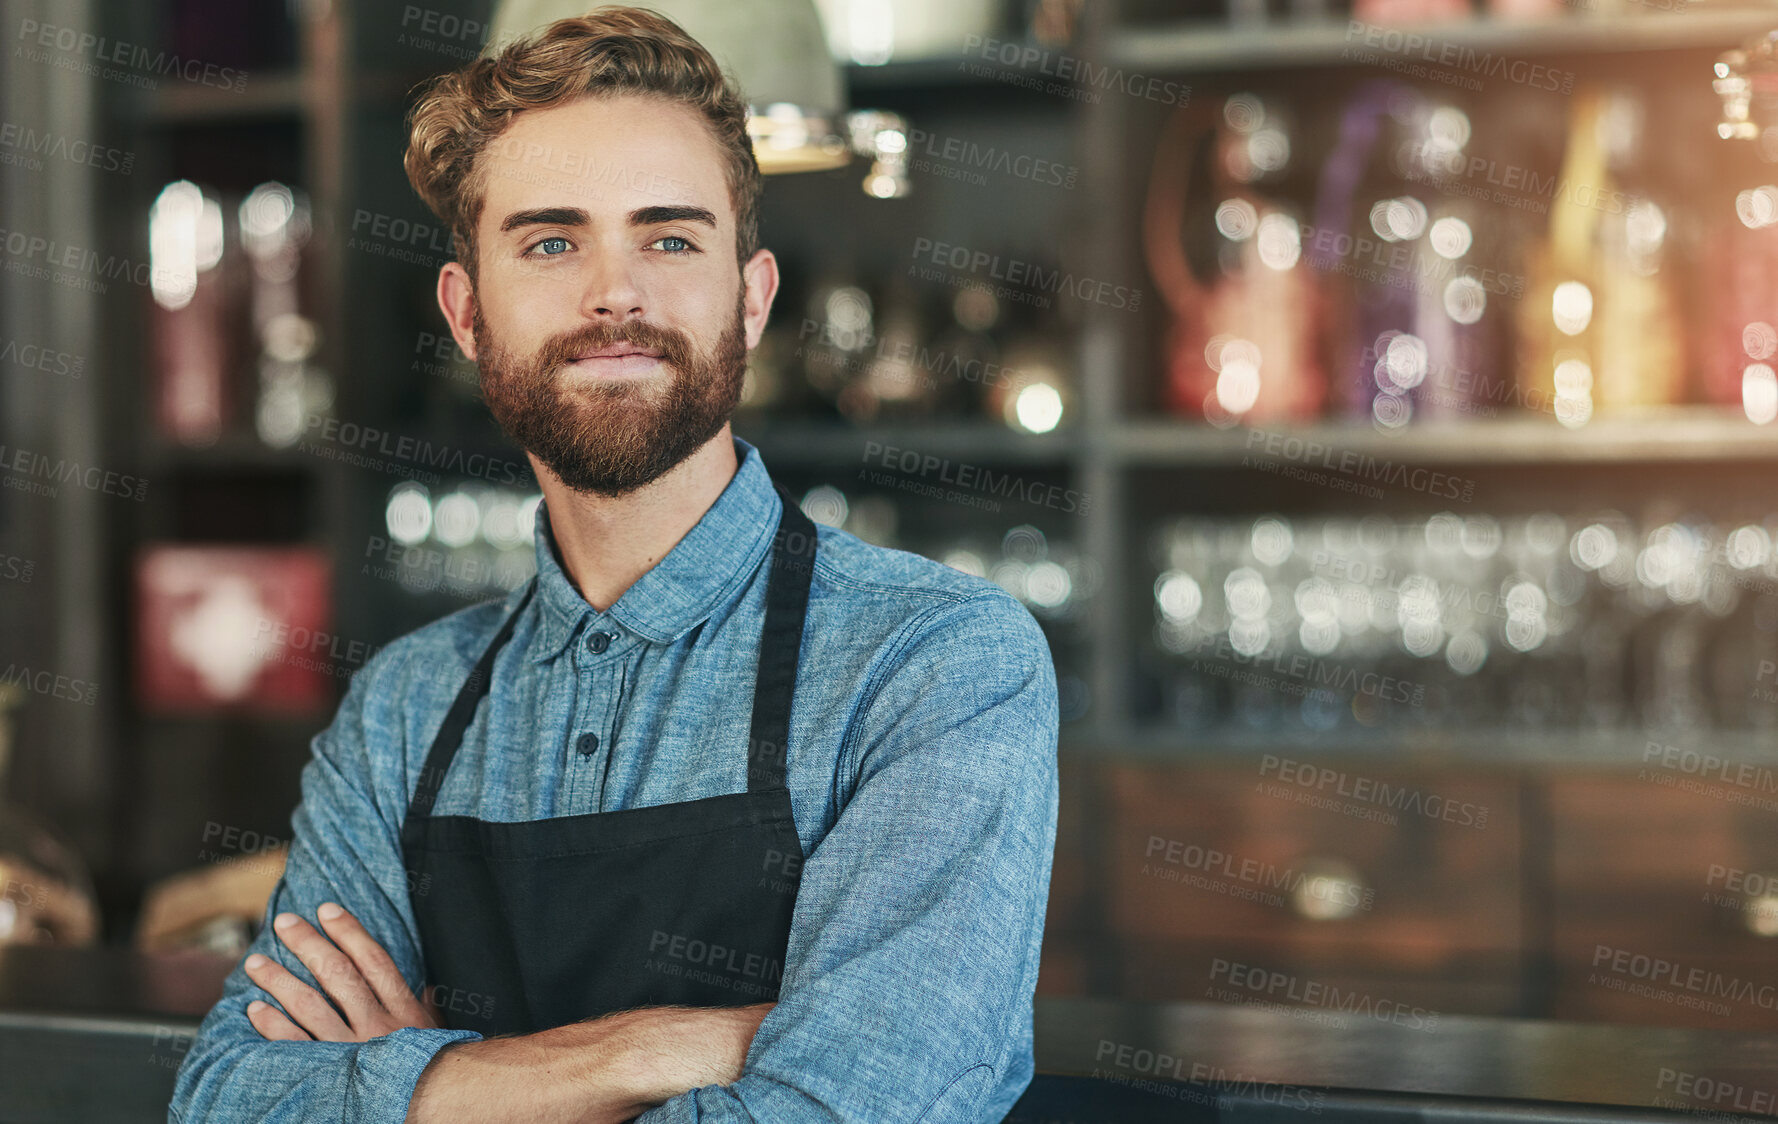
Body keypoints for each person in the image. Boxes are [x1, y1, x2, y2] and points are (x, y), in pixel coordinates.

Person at [167, 7, 1059, 1123]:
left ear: (752, 295)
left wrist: (429, 1085)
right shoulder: (406, 704)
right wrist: (656, 1049)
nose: (614, 294)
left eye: (670, 238)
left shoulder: (934, 664)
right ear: (467, 314)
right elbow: (232, 1100)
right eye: (550, 241)